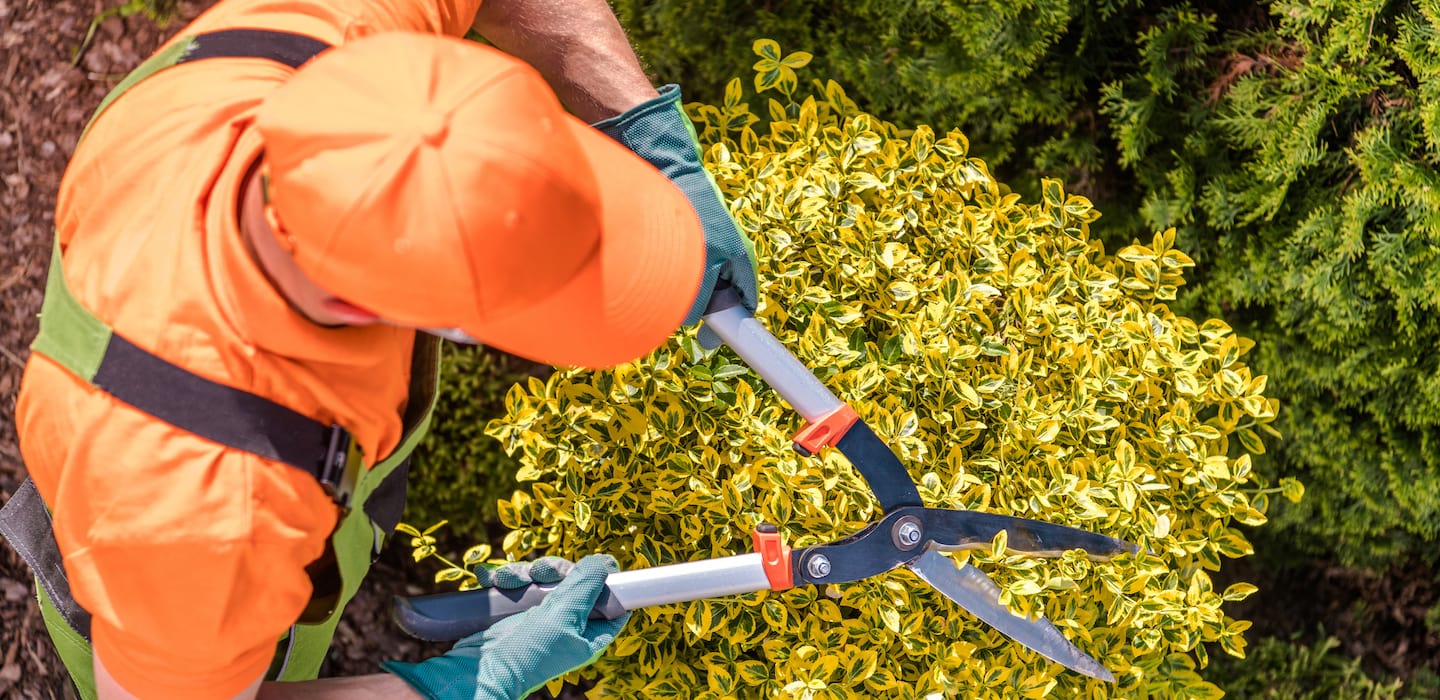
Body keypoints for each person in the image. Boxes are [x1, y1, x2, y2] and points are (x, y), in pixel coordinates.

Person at [0, 0, 760, 698]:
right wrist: (464, 683)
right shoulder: (204, 513)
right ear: (368, 310)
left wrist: (645, 137)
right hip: (160, 616)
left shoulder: (334, 68)